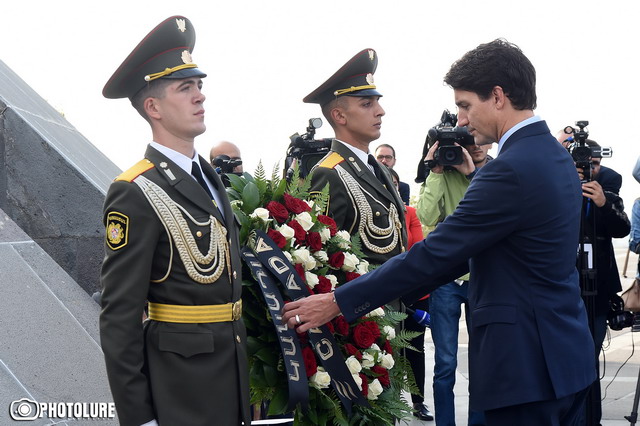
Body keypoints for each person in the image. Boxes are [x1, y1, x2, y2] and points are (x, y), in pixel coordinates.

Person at [283, 39, 596, 426]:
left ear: (498, 97)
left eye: (465, 105)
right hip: (565, 358)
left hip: (526, 369)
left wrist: (338, 301)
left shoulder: (508, 170)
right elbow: (462, 255)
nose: (461, 120)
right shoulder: (554, 156)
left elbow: (437, 253)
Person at [99, 16, 250, 426]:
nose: (200, 95)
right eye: (185, 88)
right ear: (153, 108)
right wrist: (139, 418)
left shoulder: (210, 177)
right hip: (181, 391)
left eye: (198, 84)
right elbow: (119, 316)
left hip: (231, 379)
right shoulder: (135, 190)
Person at [304, 48, 407, 267]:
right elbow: (323, 258)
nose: (380, 111)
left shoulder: (379, 168)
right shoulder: (328, 173)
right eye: (367, 104)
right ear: (339, 115)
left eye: (377, 101)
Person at [416, 137, 492, 426]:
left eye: (481, 140)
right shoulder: (443, 173)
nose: (476, 146)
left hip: (484, 277)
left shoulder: (498, 171)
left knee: (482, 362)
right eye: (468, 141)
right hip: (447, 277)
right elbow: (425, 215)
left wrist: (472, 173)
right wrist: (435, 172)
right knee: (445, 363)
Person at [574, 141, 630, 426]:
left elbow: (622, 229)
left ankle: (590, 420)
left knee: (589, 361)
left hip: (597, 291)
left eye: (593, 165)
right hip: (565, 291)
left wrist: (603, 204)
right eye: (581, 165)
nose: (587, 170)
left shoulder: (607, 193)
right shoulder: (558, 190)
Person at [388, 166, 433, 421]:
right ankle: (389, 400)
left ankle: (418, 401)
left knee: (415, 347)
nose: (390, 186)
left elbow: (415, 248)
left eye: (394, 183)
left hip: (414, 291)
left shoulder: (410, 213)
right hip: (383, 292)